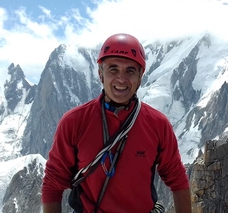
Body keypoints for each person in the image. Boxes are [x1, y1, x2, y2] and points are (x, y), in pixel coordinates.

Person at [42, 33, 191, 213]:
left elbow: (177, 178)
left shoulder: (157, 124)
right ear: (100, 74)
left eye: (130, 70)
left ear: (140, 77)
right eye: (113, 69)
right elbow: (53, 183)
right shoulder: (74, 122)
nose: (121, 79)